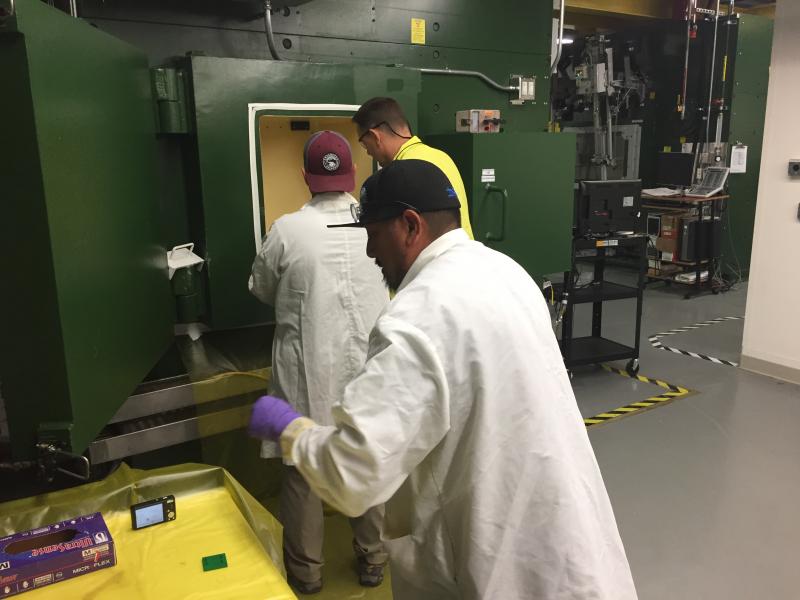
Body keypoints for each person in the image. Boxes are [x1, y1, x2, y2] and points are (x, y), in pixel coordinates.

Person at [249, 159, 638, 600]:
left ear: (410, 225)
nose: (371, 253)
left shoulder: (417, 317)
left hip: (494, 565)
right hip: (566, 535)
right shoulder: (506, 272)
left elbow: (353, 472)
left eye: (373, 236)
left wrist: (291, 430)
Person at [248, 130, 389, 595]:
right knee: (365, 458)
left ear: (306, 177)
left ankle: (306, 575)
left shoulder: (287, 230)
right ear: (352, 175)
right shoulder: (376, 222)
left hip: (307, 373)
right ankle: (373, 559)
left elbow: (261, 289)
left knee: (303, 472)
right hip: (368, 371)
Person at [352, 96, 475, 239]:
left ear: (375, 136)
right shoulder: (441, 156)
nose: (368, 152)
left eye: (365, 145)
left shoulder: (403, 172)